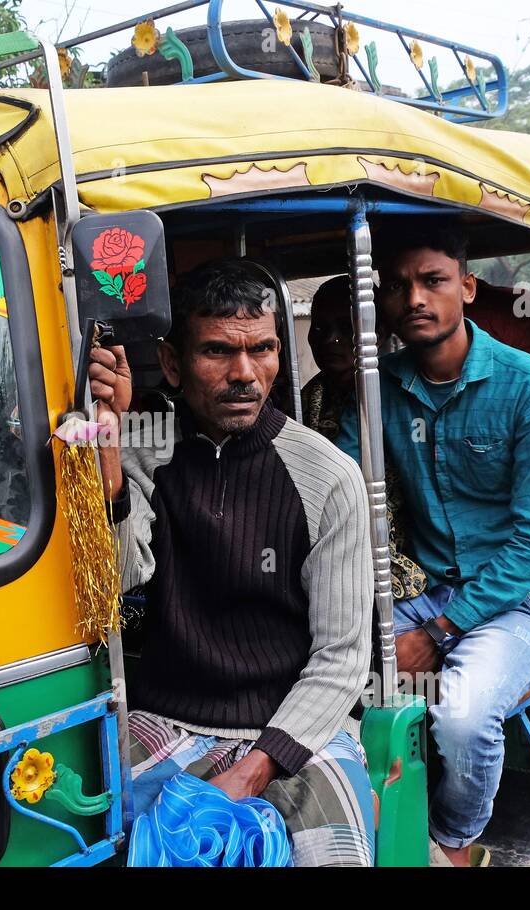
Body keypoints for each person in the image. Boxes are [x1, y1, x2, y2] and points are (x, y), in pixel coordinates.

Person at [89, 258, 377, 867]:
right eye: (217, 352)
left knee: (337, 856)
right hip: (165, 718)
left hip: (297, 728)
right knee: (88, 838)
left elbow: (342, 660)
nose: (244, 374)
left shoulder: (330, 477)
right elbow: (115, 584)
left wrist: (253, 770)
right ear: (172, 363)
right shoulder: (144, 452)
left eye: (262, 350)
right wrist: (109, 452)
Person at [336, 227, 530, 867]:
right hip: (427, 592)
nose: (415, 297)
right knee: (323, 675)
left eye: (433, 280)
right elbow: (345, 498)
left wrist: (439, 632)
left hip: (521, 606)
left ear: (466, 288)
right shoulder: (374, 390)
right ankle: (364, 829)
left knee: (463, 717)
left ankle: (456, 844)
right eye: (399, 286)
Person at [303, 276, 428, 601]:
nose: (331, 341)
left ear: (380, 332)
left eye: (347, 328)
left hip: (405, 568)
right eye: (320, 330)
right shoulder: (300, 401)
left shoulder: (408, 396)